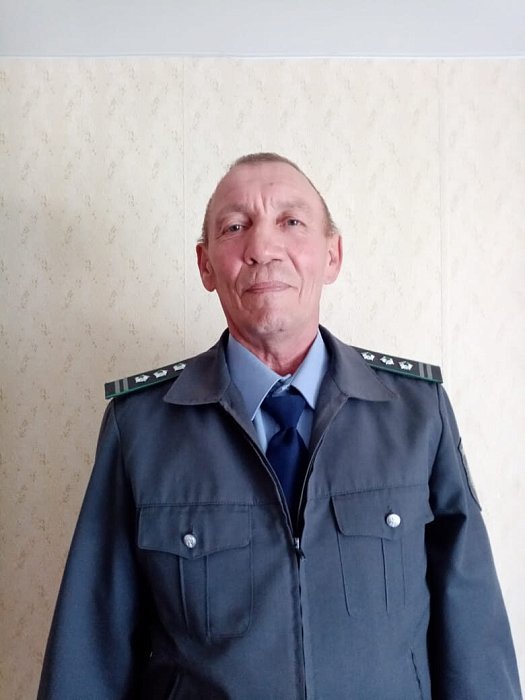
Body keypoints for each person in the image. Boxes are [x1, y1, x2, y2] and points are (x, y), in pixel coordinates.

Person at [38, 153, 522, 699]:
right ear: (205, 265)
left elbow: (474, 634)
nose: (263, 248)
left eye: (291, 222)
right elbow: (90, 646)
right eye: (234, 227)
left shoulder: (416, 413)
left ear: (332, 254)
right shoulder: (142, 426)